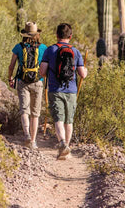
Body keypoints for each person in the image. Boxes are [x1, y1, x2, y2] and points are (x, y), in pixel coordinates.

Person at [39, 23, 87, 159]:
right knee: (69, 121)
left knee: (58, 119)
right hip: (71, 91)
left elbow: (42, 72)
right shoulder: (76, 52)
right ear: (70, 36)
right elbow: (82, 74)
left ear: (57, 35)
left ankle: (62, 144)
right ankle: (66, 148)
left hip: (55, 89)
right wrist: (86, 71)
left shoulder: (50, 50)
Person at [8, 22, 47, 149]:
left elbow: (12, 65)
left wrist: (10, 77)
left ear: (24, 34)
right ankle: (33, 141)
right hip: (38, 82)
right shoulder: (43, 48)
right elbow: (46, 66)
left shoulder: (18, 47)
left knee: (24, 110)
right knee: (35, 114)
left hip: (22, 81)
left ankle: (26, 136)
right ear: (37, 34)